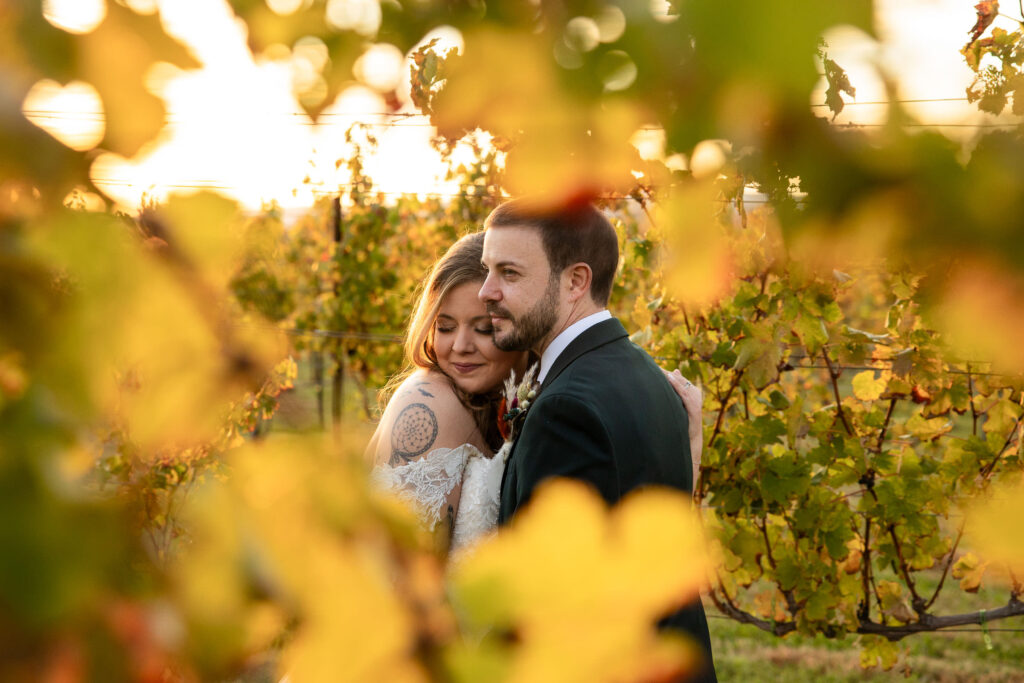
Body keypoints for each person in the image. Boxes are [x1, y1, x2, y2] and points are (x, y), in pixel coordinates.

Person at [479, 198, 717, 682]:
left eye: (509, 273)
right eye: (487, 270)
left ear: (575, 281)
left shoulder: (566, 411)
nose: (487, 291)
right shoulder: (645, 374)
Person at [367, 230, 704, 557]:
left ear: (517, 326)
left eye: (484, 328)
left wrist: (687, 447)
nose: (460, 346)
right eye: (445, 327)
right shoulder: (429, 404)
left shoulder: (532, 401)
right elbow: (403, 579)